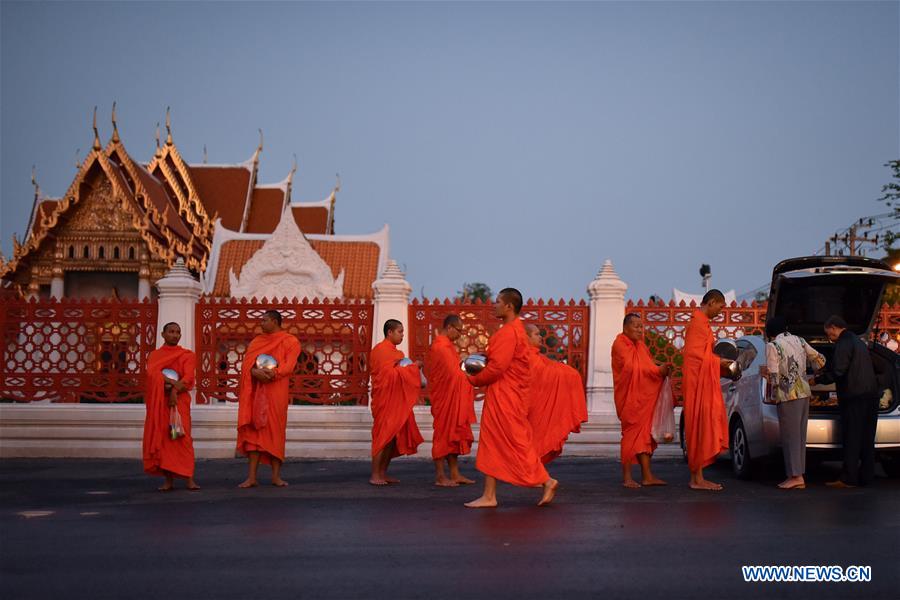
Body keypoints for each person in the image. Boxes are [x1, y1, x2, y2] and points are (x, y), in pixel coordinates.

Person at [464, 288, 559, 508]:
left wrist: (473, 380)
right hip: (508, 394)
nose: (493, 305)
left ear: (508, 306)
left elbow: (497, 368)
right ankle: (489, 495)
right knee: (494, 442)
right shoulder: (515, 331)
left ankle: (546, 480)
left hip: (505, 395)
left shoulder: (508, 332)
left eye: (497, 302)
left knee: (515, 442)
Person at [811, 315, 879, 488]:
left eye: (829, 334)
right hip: (871, 396)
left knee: (852, 437)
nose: (829, 338)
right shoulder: (857, 341)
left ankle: (848, 478)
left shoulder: (843, 343)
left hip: (854, 397)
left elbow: (839, 371)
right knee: (867, 438)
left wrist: (818, 380)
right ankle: (866, 477)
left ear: (833, 327)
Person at [236, 310, 301, 488]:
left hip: (276, 392)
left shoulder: (290, 341)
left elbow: (288, 366)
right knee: (254, 433)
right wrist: (254, 372)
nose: (261, 323)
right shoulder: (257, 341)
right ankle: (251, 477)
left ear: (274, 321)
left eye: (264, 320)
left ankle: (275, 476)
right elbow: (247, 365)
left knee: (276, 432)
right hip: (256, 392)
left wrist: (272, 374)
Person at [762, 315, 825, 490]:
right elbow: (820, 359)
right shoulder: (800, 340)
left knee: (790, 436)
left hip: (788, 394)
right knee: (800, 436)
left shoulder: (773, 346)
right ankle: (799, 474)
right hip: (804, 392)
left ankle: (795, 476)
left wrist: (770, 384)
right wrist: (814, 375)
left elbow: (774, 375)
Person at [611, 313, 669, 488]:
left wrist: (659, 367)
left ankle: (647, 476)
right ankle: (627, 477)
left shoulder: (641, 346)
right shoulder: (620, 344)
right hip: (630, 398)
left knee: (644, 436)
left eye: (641, 326)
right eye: (635, 325)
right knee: (630, 436)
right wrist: (657, 371)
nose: (639, 329)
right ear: (625, 327)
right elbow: (632, 368)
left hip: (644, 398)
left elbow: (647, 364)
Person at [682, 289, 731, 491]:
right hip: (696, 383)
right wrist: (720, 361)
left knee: (703, 424)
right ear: (711, 302)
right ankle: (696, 478)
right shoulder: (696, 323)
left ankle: (698, 476)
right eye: (719, 307)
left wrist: (718, 362)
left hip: (703, 381)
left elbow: (704, 354)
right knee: (698, 425)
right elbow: (694, 355)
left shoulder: (703, 323)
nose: (720, 312)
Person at [143, 322, 199, 491]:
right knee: (165, 438)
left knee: (183, 438)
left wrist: (174, 390)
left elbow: (188, 378)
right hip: (161, 403)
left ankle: (189, 479)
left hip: (179, 403)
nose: (175, 335)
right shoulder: (155, 355)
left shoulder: (187, 355)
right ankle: (168, 481)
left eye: (178, 332)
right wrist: (171, 382)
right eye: (171, 332)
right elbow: (152, 375)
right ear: (163, 334)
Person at [370, 319, 424, 486]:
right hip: (384, 399)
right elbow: (388, 376)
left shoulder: (398, 355)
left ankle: (383, 473)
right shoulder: (379, 351)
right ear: (390, 333)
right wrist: (413, 368)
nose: (402, 335)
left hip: (396, 401)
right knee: (382, 437)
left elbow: (399, 374)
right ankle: (374, 475)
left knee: (392, 437)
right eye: (399, 332)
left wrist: (410, 369)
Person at [524, 323, 588, 464]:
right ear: (526, 337)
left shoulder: (537, 355)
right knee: (534, 438)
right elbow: (542, 373)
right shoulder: (525, 355)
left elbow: (551, 368)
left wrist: (571, 374)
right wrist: (569, 374)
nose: (540, 337)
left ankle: (534, 472)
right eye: (536, 334)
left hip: (541, 401)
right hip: (533, 403)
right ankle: (531, 473)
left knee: (536, 438)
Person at [426, 314, 477, 487]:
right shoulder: (440, 347)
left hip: (452, 398)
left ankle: (454, 473)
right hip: (445, 399)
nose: (460, 335)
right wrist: (471, 375)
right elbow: (453, 375)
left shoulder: (447, 346)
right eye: (459, 331)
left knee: (454, 435)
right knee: (443, 436)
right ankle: (440, 476)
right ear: (449, 328)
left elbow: (454, 372)